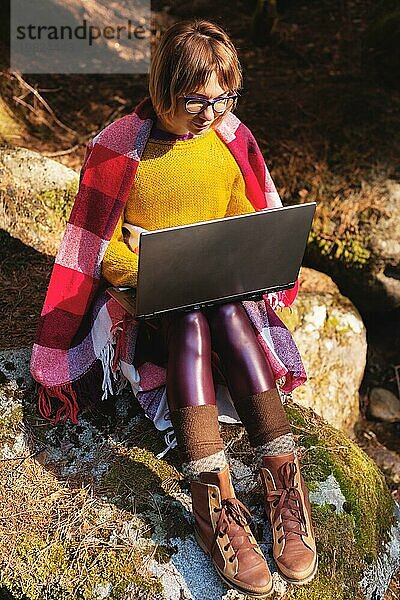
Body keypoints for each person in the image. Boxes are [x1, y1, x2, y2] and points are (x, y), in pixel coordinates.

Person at [31, 19, 317, 597]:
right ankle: (212, 491)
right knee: (190, 317)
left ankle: (282, 475)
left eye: (225, 98)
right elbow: (98, 246)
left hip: (218, 284)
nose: (213, 113)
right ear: (164, 88)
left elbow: (245, 209)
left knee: (232, 316)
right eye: (198, 100)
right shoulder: (117, 148)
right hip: (147, 303)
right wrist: (146, 268)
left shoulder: (226, 141)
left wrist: (247, 250)